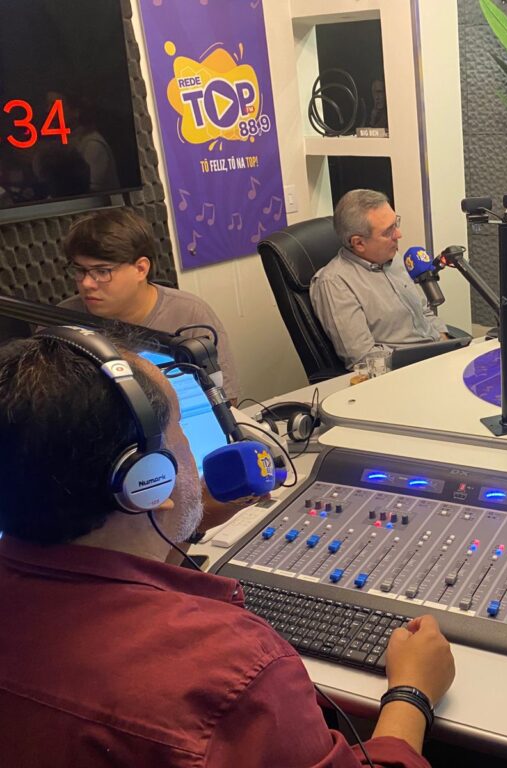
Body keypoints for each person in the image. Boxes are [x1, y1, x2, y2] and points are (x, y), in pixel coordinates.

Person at [0, 330, 456, 767]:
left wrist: (185, 519)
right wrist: (411, 693)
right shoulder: (235, 671)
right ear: (148, 478)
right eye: (179, 431)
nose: (190, 449)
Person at [58, 208, 241, 400]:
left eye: (102, 271)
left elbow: (225, 402)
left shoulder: (191, 314)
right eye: (79, 270)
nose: (86, 283)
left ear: (141, 269)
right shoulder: (60, 321)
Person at [311, 189, 448, 369]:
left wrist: (445, 340)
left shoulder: (394, 258)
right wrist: (425, 360)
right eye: (388, 231)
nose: (399, 234)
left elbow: (423, 312)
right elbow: (362, 357)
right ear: (359, 243)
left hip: (437, 356)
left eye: (395, 224)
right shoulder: (335, 283)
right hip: (404, 371)